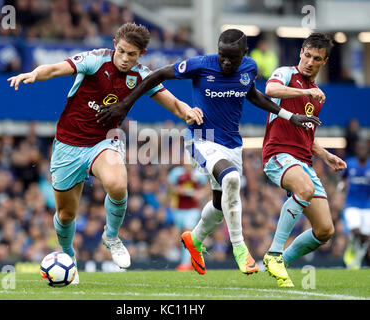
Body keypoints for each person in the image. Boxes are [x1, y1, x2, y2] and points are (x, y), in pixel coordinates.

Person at [96, 28, 320, 275]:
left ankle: (195, 239)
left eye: (231, 58)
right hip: (202, 138)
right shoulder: (202, 65)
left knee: (219, 203)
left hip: (232, 143)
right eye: (222, 55)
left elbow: (253, 95)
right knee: (232, 179)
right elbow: (157, 75)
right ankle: (240, 248)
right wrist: (125, 104)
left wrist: (289, 116)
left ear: (244, 54)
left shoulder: (249, 68)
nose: (224, 61)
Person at [7, 22, 202, 284]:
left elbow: (175, 104)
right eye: (121, 51)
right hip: (68, 144)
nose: (124, 59)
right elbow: (55, 68)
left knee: (117, 184)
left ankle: (111, 237)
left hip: (104, 141)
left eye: (131, 54)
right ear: (114, 45)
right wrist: (34, 73)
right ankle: (68, 257)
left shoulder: (143, 75)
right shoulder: (95, 60)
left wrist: (188, 111)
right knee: (66, 215)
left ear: (141, 54)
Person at [261, 32, 347, 287]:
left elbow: (307, 135)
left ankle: (280, 261)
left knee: (325, 231)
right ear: (301, 52)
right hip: (277, 153)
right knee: (305, 188)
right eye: (307, 55)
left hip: (303, 160)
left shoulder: (318, 95)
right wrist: (306, 91)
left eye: (316, 58)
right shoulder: (286, 74)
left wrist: (326, 155)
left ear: (324, 61)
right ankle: (274, 252)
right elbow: (269, 89)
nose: (309, 61)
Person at [167, 157, 208, 271]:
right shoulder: (176, 173)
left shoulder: (199, 175)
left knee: (187, 232)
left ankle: (186, 263)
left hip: (192, 209)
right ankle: (191, 259)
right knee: (178, 237)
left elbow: (207, 188)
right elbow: (170, 187)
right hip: (178, 209)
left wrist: (200, 194)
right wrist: (179, 190)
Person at [342, 139, 370, 269]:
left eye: (364, 148)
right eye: (360, 148)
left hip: (367, 206)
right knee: (356, 230)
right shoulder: (350, 164)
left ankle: (357, 259)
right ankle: (352, 247)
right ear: (357, 150)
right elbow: (342, 180)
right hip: (351, 204)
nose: (362, 150)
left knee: (366, 236)